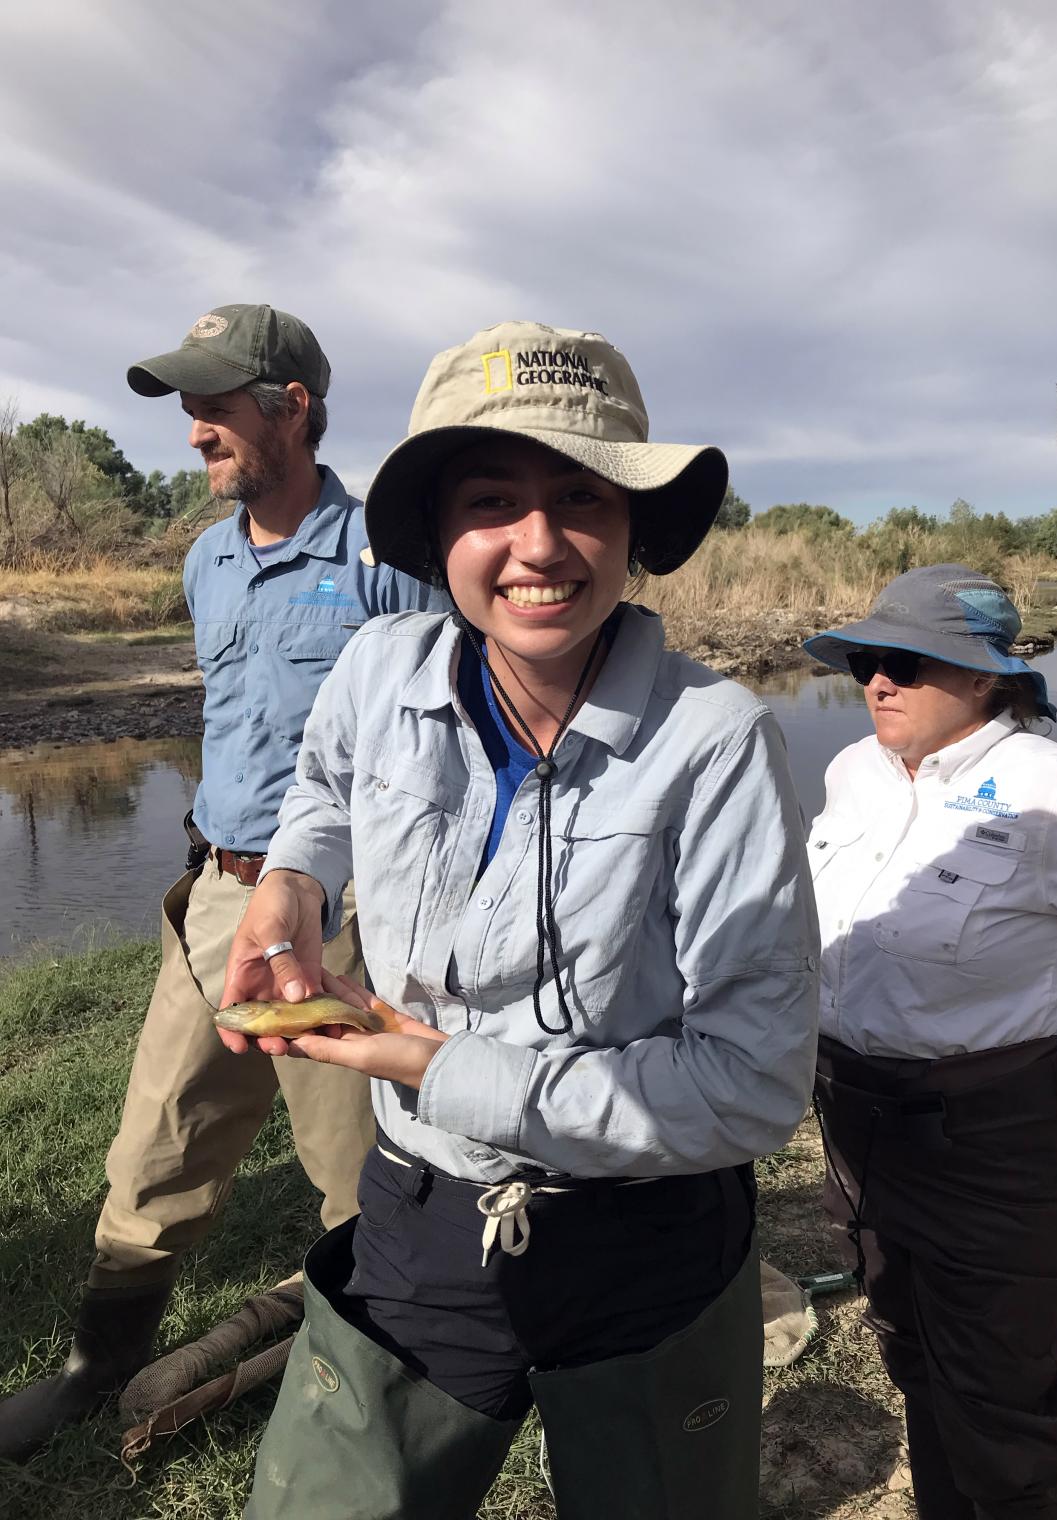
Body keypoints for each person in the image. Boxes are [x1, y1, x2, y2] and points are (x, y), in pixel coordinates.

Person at [216, 320, 821, 1519]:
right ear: (437, 531)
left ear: (635, 529)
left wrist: (441, 1066)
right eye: (493, 497)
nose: (539, 545)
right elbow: (326, 790)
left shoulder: (717, 742)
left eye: (582, 498)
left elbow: (752, 1084)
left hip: (645, 1237)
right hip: (420, 1206)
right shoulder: (378, 669)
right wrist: (293, 878)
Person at [0, 304, 441, 1460]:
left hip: (344, 919)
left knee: (363, 1174)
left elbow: (449, 743)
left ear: (292, 406)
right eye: (186, 408)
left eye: (215, 404)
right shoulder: (204, 560)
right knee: (153, 1150)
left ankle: (376, 1391)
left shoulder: (386, 559)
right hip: (214, 896)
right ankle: (97, 1368)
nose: (194, 430)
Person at [802, 563, 1057, 1520]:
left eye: (909, 663)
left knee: (1001, 1405)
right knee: (911, 1353)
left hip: (1001, 1140)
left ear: (989, 678)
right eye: (869, 659)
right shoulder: (852, 771)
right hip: (860, 1125)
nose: (878, 681)